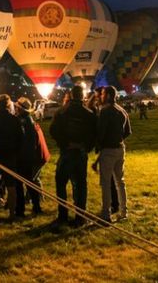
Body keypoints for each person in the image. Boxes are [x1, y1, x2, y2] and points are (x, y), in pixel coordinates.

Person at [50, 85, 97, 227]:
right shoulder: (89, 114)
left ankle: (62, 215)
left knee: (61, 184)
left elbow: (53, 131)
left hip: (66, 153)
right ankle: (80, 217)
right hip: (80, 153)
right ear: (82, 95)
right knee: (81, 185)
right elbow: (94, 134)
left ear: (70, 95)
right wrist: (84, 146)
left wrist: (65, 143)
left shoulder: (61, 112)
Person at [95, 86, 130, 222]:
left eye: (103, 94)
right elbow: (128, 131)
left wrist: (98, 145)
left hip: (108, 150)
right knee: (120, 182)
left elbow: (100, 132)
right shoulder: (122, 111)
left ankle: (106, 214)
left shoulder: (105, 112)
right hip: (120, 148)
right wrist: (118, 138)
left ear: (108, 95)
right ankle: (123, 212)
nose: (101, 96)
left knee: (105, 183)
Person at [14, 98, 48, 217]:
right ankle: (36, 206)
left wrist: (23, 157)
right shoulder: (28, 120)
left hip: (26, 158)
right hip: (29, 157)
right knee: (30, 182)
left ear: (21, 109)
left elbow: (28, 142)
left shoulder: (25, 122)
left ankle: (22, 209)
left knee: (23, 183)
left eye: (17, 107)